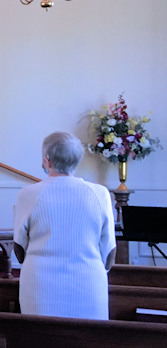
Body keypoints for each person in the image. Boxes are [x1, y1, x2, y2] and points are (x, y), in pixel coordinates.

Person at [13, 131, 116, 320]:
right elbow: (109, 252)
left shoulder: (28, 194)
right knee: (89, 336)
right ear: (78, 160)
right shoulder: (100, 194)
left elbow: (19, 247)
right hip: (88, 281)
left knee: (43, 335)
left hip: (40, 284)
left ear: (46, 161)